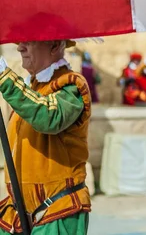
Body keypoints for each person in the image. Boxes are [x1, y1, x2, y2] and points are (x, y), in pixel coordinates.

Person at [0, 40, 91, 234]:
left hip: (58, 211)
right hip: (19, 213)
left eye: (28, 42)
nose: (20, 48)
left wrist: (5, 79)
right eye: (19, 42)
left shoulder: (71, 86)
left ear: (55, 45)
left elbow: (49, 117)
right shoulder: (31, 87)